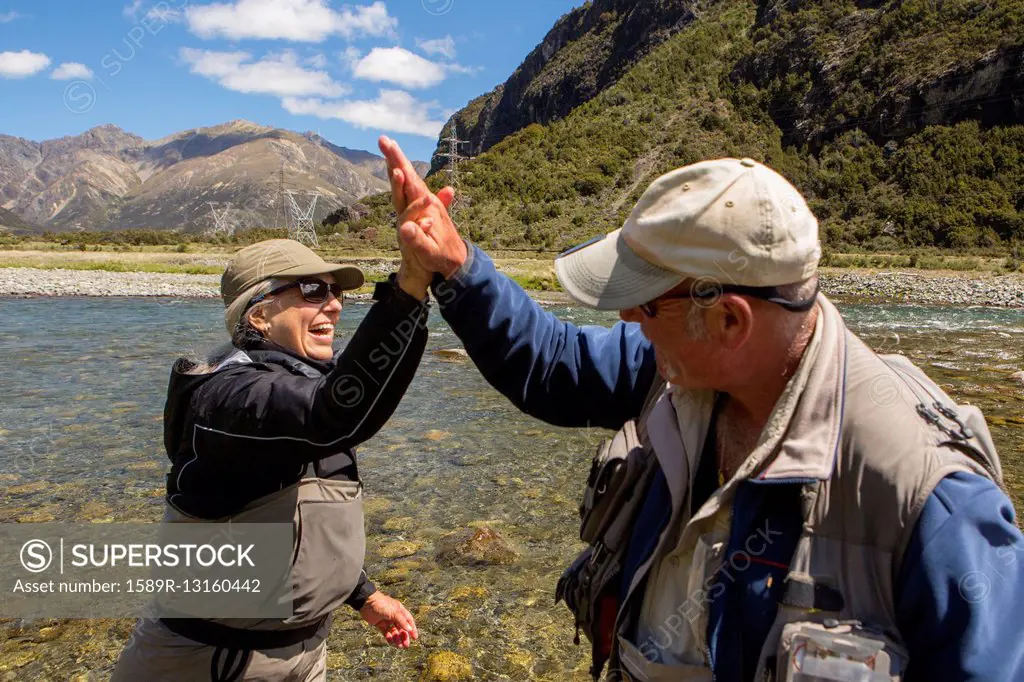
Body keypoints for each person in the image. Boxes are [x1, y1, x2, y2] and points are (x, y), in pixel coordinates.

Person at [378, 136, 1024, 681]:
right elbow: (555, 366)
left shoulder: (932, 504)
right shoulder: (677, 367)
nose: (628, 317)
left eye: (646, 301)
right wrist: (457, 268)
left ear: (729, 318)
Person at [113, 238, 437, 681]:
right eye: (311, 291)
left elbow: (303, 526)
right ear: (259, 314)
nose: (335, 306)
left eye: (335, 292)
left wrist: (364, 595)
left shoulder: (301, 385)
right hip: (211, 660)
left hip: (302, 655)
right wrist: (409, 290)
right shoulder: (229, 397)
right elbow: (337, 413)